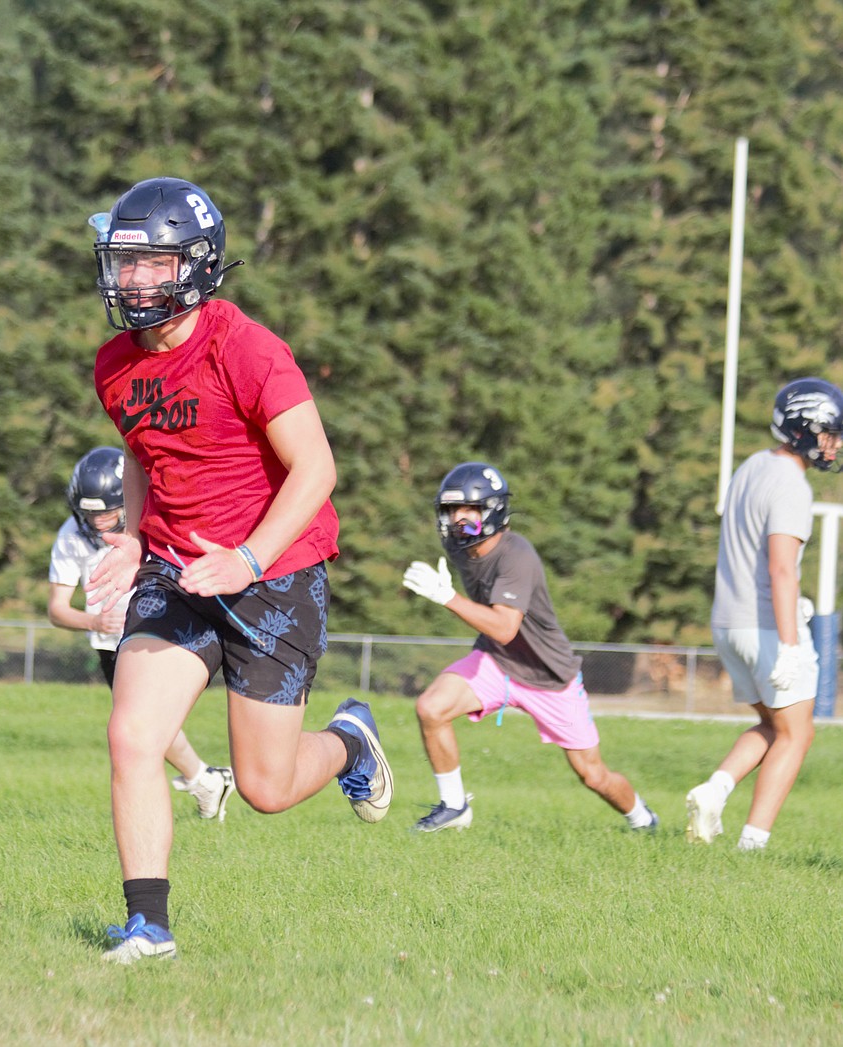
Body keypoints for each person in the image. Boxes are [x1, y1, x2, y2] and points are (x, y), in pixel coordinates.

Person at [84, 176, 392, 964]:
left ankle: (352, 743)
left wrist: (248, 558)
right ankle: (148, 925)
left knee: (267, 788)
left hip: (274, 573)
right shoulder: (114, 363)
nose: (134, 280)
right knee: (132, 735)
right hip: (181, 570)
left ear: (197, 264)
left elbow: (316, 468)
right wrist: (130, 536)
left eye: (153, 263)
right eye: (125, 262)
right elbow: (144, 451)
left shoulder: (246, 347)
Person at [402, 461, 657, 834]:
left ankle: (643, 820)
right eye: (451, 509)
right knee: (430, 708)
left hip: (547, 676)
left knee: (593, 774)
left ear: (493, 510)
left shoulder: (516, 554)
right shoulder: (459, 547)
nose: (458, 518)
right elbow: (500, 640)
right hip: (497, 661)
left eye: (469, 509)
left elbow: (506, 627)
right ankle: (454, 805)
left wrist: (446, 597)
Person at [686, 377, 843, 851]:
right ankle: (752, 845)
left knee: (776, 727)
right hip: (766, 626)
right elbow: (780, 569)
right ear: (803, 429)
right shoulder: (790, 485)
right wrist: (792, 643)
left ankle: (714, 790)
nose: (834, 443)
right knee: (798, 735)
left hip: (727, 623)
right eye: (829, 432)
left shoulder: (752, 465)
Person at [48, 445, 236, 821]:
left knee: (141, 725)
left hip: (152, 632)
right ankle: (205, 779)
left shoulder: (148, 520)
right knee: (139, 726)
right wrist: (94, 623)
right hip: (108, 644)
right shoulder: (71, 535)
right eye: (91, 515)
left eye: (108, 513)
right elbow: (56, 609)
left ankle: (198, 783)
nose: (99, 523)